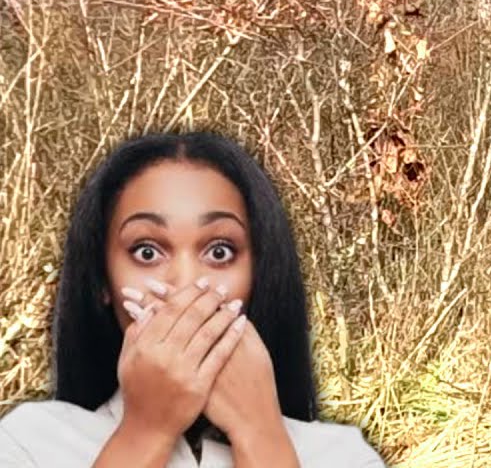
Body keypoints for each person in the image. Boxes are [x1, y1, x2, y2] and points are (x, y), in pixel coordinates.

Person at [0, 131, 386, 467]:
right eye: (147, 252)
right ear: (103, 279)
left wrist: (260, 436)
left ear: (260, 274)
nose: (187, 284)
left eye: (219, 251)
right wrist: (145, 432)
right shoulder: (30, 441)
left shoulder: (341, 455)